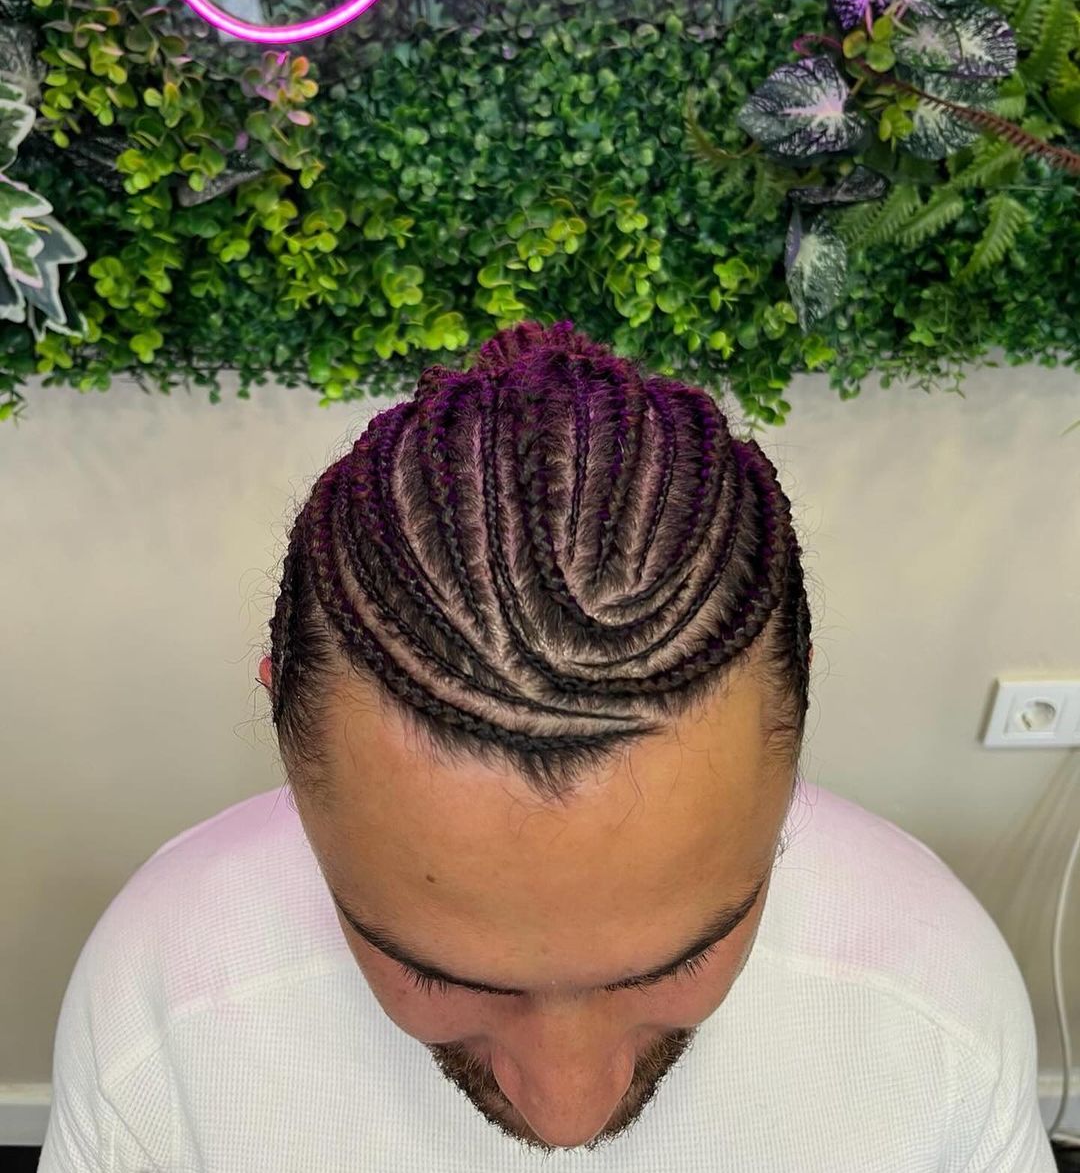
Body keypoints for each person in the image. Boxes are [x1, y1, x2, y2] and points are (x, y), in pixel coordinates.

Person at [39, 320, 1054, 1171]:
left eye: (677, 964)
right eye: (439, 977)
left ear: (796, 717)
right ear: (285, 732)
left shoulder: (937, 1011)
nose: (566, 1115)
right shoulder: (159, 1012)